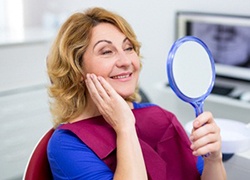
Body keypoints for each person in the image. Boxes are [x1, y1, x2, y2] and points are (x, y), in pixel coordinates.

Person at [46, 7, 226, 180]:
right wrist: (125, 127)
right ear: (76, 70)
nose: (125, 61)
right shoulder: (67, 144)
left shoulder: (161, 117)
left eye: (128, 48)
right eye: (107, 51)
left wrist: (214, 160)